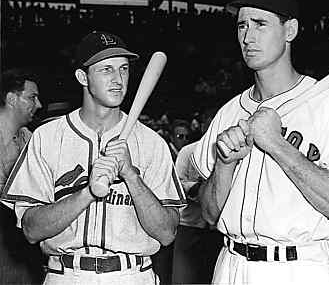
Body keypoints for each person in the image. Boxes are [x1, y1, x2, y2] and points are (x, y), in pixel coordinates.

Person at [191, 0, 329, 284]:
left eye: (260, 24)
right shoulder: (228, 112)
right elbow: (211, 215)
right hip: (231, 266)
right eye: (242, 25)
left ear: (290, 30)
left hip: (301, 267)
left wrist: (277, 145)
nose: (248, 37)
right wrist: (225, 164)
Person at [1, 31, 186, 285]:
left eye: (123, 69)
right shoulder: (48, 137)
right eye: (106, 69)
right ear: (82, 77)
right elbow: (32, 230)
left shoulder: (152, 143)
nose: (118, 79)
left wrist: (131, 176)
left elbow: (167, 233)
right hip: (66, 274)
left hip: (131, 274)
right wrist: (88, 192)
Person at [0, 69, 44, 285]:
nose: (39, 105)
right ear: (11, 99)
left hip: (21, 244)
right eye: (32, 97)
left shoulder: (30, 139)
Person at [171, 107, 223, 285]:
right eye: (209, 124)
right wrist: (200, 190)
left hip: (218, 231)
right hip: (189, 226)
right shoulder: (188, 151)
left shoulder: (230, 153)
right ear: (202, 126)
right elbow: (177, 185)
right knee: (183, 279)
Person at [151, 118, 191, 284]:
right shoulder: (163, 151)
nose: (183, 140)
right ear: (171, 136)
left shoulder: (186, 153)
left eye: (186, 137)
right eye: (180, 136)